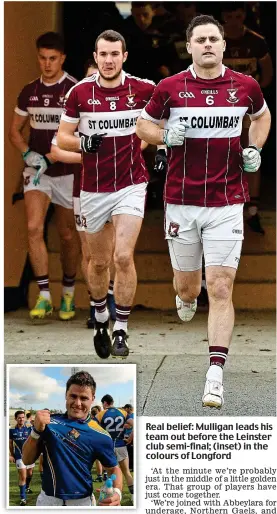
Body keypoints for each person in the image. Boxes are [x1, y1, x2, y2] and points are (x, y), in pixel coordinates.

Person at [136, 14, 271, 409]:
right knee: (188, 287)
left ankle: (215, 375)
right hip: (182, 202)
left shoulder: (245, 86)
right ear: (190, 46)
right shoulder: (169, 87)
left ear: (224, 46)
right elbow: (143, 127)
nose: (208, 44)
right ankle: (185, 295)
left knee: (222, 287)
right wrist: (164, 135)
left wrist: (254, 149)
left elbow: (261, 117)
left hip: (228, 203)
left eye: (214, 38)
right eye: (201, 39)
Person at [57, 30, 155, 359]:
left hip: (130, 184)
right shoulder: (79, 93)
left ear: (124, 56)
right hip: (94, 189)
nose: (109, 60)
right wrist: (84, 142)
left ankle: (122, 329)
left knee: (122, 257)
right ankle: (100, 317)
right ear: (95, 56)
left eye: (115, 54)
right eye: (103, 54)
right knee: (98, 264)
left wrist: (164, 144)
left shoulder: (143, 89)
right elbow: (62, 138)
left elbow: (166, 119)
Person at [8, 31, 80, 320]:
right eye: (42, 58)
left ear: (62, 58)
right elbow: (14, 130)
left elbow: (82, 133)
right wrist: (28, 154)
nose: (47, 64)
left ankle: (68, 294)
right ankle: (44, 296)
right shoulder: (29, 91)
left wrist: (55, 153)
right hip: (37, 173)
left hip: (67, 171)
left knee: (66, 235)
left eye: (53, 58)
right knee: (34, 228)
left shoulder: (75, 89)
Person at [50, 56, 116, 328]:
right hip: (84, 189)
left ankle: (112, 299)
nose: (93, 81)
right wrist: (87, 156)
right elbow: (55, 149)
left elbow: (142, 139)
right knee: (90, 252)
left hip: (119, 188)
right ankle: (96, 304)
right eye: (89, 77)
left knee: (115, 251)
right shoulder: (76, 107)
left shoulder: (120, 105)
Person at [22, 371, 122, 506]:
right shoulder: (49, 423)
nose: (78, 403)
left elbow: (114, 469)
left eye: (84, 398)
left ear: (93, 398)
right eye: (73, 396)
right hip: (48, 501)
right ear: (66, 395)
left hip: (82, 502)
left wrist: (117, 492)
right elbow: (26, 459)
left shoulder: (101, 435)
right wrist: (35, 431)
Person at [222, 2, 273, 234]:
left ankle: (251, 209)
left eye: (238, 15)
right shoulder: (215, 40)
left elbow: (268, 74)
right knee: (221, 156)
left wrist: (253, 96)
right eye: (230, 16)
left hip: (248, 108)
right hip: (219, 110)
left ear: (244, 15)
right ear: (223, 17)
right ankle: (225, 205)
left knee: (251, 152)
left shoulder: (257, 41)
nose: (234, 20)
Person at [97, 395, 134, 503]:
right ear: (112, 402)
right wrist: (131, 437)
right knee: (126, 472)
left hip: (107, 447)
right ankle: (133, 496)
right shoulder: (123, 412)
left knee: (111, 474)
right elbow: (134, 425)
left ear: (105, 403)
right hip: (121, 445)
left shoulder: (101, 414)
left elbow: (93, 427)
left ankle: (112, 497)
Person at [9, 411, 35, 505]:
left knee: (30, 473)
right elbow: (10, 444)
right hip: (19, 457)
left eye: (23, 417)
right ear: (16, 418)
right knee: (23, 476)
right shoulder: (11, 431)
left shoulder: (29, 429)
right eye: (19, 417)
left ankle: (27, 487)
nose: (21, 419)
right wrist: (11, 455)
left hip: (30, 456)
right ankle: (23, 498)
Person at [122, 403, 134, 472]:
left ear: (129, 408)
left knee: (131, 451)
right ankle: (130, 466)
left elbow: (129, 426)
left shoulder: (131, 416)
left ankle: (132, 466)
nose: (124, 410)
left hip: (130, 435)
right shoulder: (128, 416)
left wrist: (125, 425)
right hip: (128, 435)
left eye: (125, 408)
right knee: (129, 452)